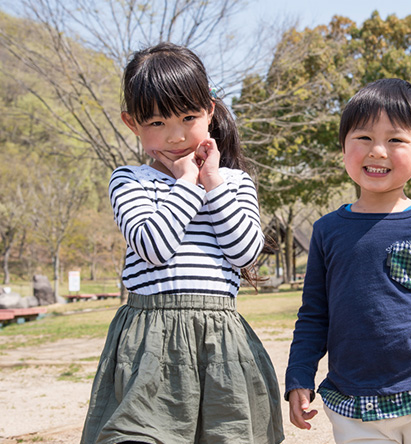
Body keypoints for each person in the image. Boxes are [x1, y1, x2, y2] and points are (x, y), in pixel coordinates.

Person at [80, 42, 284, 444]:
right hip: (148, 341)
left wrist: (212, 181)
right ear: (131, 123)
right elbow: (154, 247)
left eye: (188, 117)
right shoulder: (129, 181)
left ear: (209, 111)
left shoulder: (235, 183)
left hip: (221, 342)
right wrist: (188, 183)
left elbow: (246, 251)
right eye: (156, 123)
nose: (175, 136)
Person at [285, 78, 411, 444]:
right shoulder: (327, 230)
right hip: (352, 405)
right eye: (363, 137)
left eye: (396, 140)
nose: (377, 151)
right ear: (343, 147)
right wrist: (299, 375)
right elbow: (314, 313)